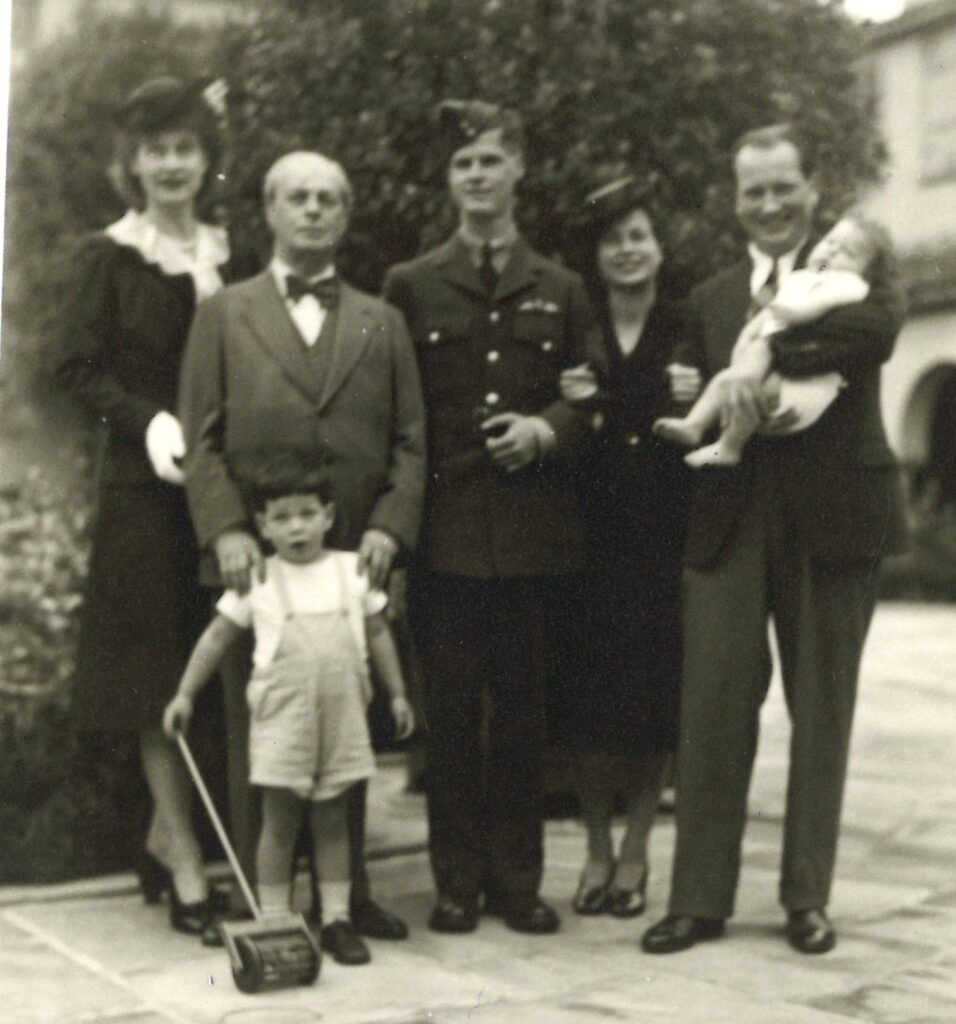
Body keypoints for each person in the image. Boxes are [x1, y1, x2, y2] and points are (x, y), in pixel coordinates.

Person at [641, 124, 907, 956]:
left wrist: (764, 344)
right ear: (735, 200)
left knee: (822, 709)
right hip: (729, 517)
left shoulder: (860, 274)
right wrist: (698, 386)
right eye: (752, 190)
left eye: (783, 187)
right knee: (712, 707)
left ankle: (806, 899)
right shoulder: (709, 295)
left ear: (812, 189)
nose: (769, 204)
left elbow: (876, 334)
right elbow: (689, 384)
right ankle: (698, 901)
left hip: (834, 518)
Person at [178, 151, 425, 943]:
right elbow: (200, 437)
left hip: (351, 550)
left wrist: (389, 525)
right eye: (298, 198)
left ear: (345, 215)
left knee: (344, 727)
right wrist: (226, 528)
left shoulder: (381, 320)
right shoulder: (224, 313)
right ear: (270, 211)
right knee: (265, 734)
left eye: (328, 199)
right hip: (259, 553)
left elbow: (411, 440)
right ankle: (265, 905)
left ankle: (346, 900)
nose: (313, 210)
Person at [384, 100, 593, 936]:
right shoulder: (412, 284)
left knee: (521, 719)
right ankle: (456, 882)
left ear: (518, 171)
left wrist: (546, 430)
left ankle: (518, 881)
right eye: (463, 163)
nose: (477, 176)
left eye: (490, 161)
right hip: (446, 535)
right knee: (449, 721)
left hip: (533, 535)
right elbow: (398, 412)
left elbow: (591, 394)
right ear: (449, 179)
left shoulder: (561, 287)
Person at [52, 76, 251, 938]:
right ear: (133, 163)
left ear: (207, 160)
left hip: (226, 489)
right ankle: (183, 858)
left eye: (186, 149)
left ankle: (172, 836)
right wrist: (148, 422)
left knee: (222, 666)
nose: (172, 165)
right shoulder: (111, 256)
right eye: (156, 150)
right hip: (145, 492)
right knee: (156, 672)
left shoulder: (233, 253)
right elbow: (75, 368)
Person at [163, 450, 414, 965]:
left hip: (342, 719)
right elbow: (216, 638)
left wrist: (397, 693)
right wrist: (185, 693)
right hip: (283, 721)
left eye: (306, 514)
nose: (295, 527)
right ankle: (274, 919)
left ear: (328, 515)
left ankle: (337, 919)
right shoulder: (258, 579)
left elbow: (378, 634)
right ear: (261, 526)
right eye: (281, 517)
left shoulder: (351, 572)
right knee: (278, 823)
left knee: (333, 822)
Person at [554, 175, 695, 918]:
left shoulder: (686, 324)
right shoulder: (578, 324)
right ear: (597, 255)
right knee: (588, 705)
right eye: (613, 240)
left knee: (651, 704)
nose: (627, 250)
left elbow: (709, 417)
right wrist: (577, 406)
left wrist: (697, 394)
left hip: (662, 540)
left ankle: (637, 849)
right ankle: (596, 849)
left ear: (659, 247)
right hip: (588, 539)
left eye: (639, 236)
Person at [654, 212, 892, 467]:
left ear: (865, 270)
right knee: (726, 380)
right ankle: (695, 424)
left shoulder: (850, 284)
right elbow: (766, 316)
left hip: (802, 381)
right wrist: (747, 339)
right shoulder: (807, 277)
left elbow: (816, 306)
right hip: (766, 352)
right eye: (830, 241)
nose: (832, 251)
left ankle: (730, 445)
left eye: (848, 252)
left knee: (749, 392)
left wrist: (785, 314)